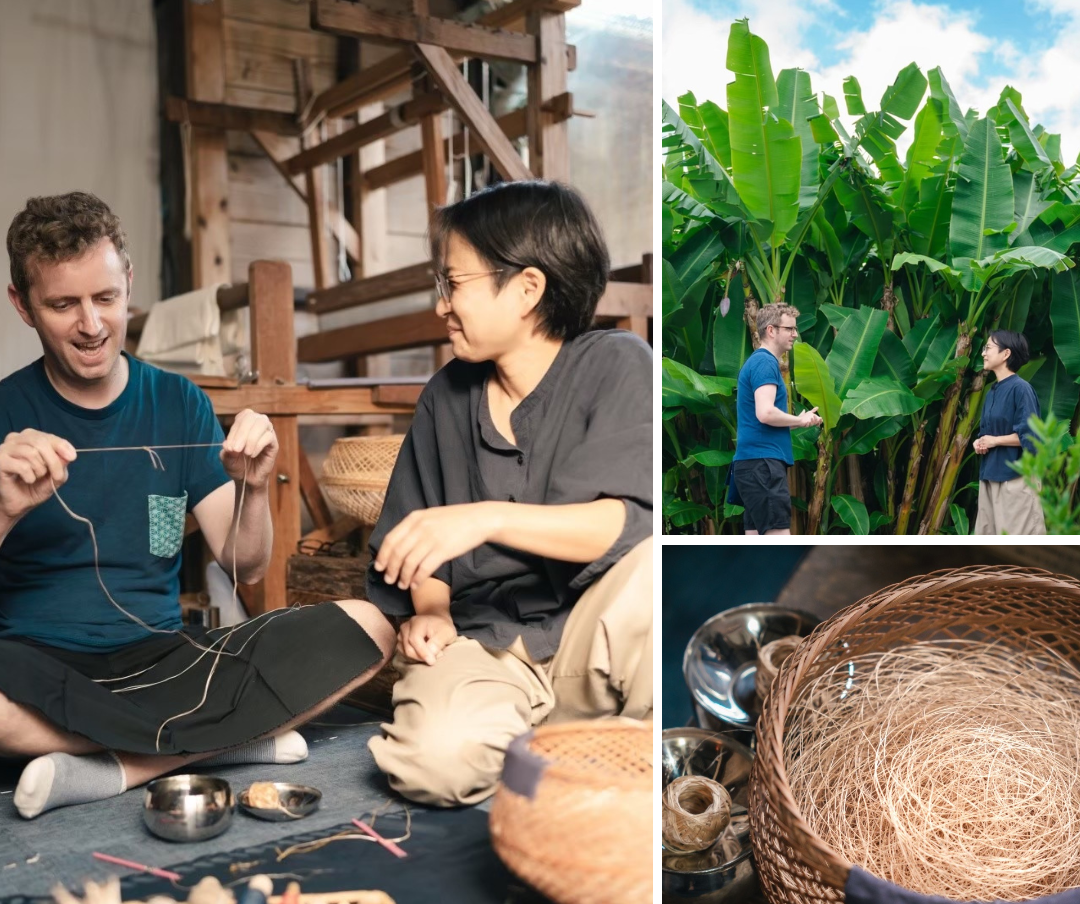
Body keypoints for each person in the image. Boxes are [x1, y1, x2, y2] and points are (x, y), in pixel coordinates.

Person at [0, 192, 395, 818]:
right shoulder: (5, 418)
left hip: (165, 663)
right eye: (62, 304)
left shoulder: (178, 402)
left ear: (128, 283)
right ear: (22, 305)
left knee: (369, 624)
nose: (92, 325)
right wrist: (5, 509)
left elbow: (247, 563)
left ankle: (111, 768)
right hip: (36, 671)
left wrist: (256, 486)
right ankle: (227, 741)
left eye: (105, 298)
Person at [365, 180, 652, 807]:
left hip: (592, 640)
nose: (441, 304)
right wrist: (433, 611)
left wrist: (486, 519)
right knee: (431, 763)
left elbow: (620, 525)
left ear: (527, 289)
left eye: (454, 283)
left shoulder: (618, 363)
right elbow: (419, 540)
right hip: (488, 647)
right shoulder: (446, 396)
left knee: (658, 565)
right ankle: (576, 760)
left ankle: (579, 751)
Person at [731, 303, 822, 535]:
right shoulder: (765, 363)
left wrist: (795, 420)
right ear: (771, 330)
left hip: (752, 465)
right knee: (779, 538)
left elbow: (762, 419)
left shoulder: (757, 362)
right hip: (763, 465)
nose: (795, 334)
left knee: (755, 537)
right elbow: (765, 413)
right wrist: (799, 421)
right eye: (789, 329)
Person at [972, 329, 1045, 535]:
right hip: (989, 477)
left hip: (1015, 479)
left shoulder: (1021, 389)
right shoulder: (992, 391)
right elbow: (988, 432)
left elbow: (1031, 436)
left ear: (1006, 354)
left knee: (1017, 543)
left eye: (988, 348)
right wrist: (980, 442)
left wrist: (995, 441)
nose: (983, 353)